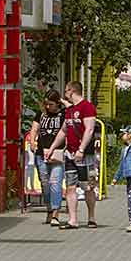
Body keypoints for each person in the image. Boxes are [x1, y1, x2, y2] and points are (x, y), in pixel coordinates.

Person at [45, 81, 98, 230]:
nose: (65, 94)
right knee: (70, 187)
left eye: (66, 91)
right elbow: (63, 131)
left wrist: (81, 149)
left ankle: (91, 217)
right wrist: (52, 147)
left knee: (88, 187)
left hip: (85, 154)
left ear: (71, 91)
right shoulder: (69, 110)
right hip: (70, 154)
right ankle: (72, 220)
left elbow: (89, 130)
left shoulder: (87, 107)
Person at [30, 90, 65, 226]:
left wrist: (63, 101)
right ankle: (49, 208)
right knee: (45, 183)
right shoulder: (41, 114)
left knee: (55, 183)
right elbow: (34, 129)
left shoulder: (63, 114)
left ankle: (56, 213)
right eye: (46, 104)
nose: (48, 107)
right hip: (41, 153)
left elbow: (72, 109)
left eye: (51, 104)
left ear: (57, 103)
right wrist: (33, 141)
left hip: (57, 154)